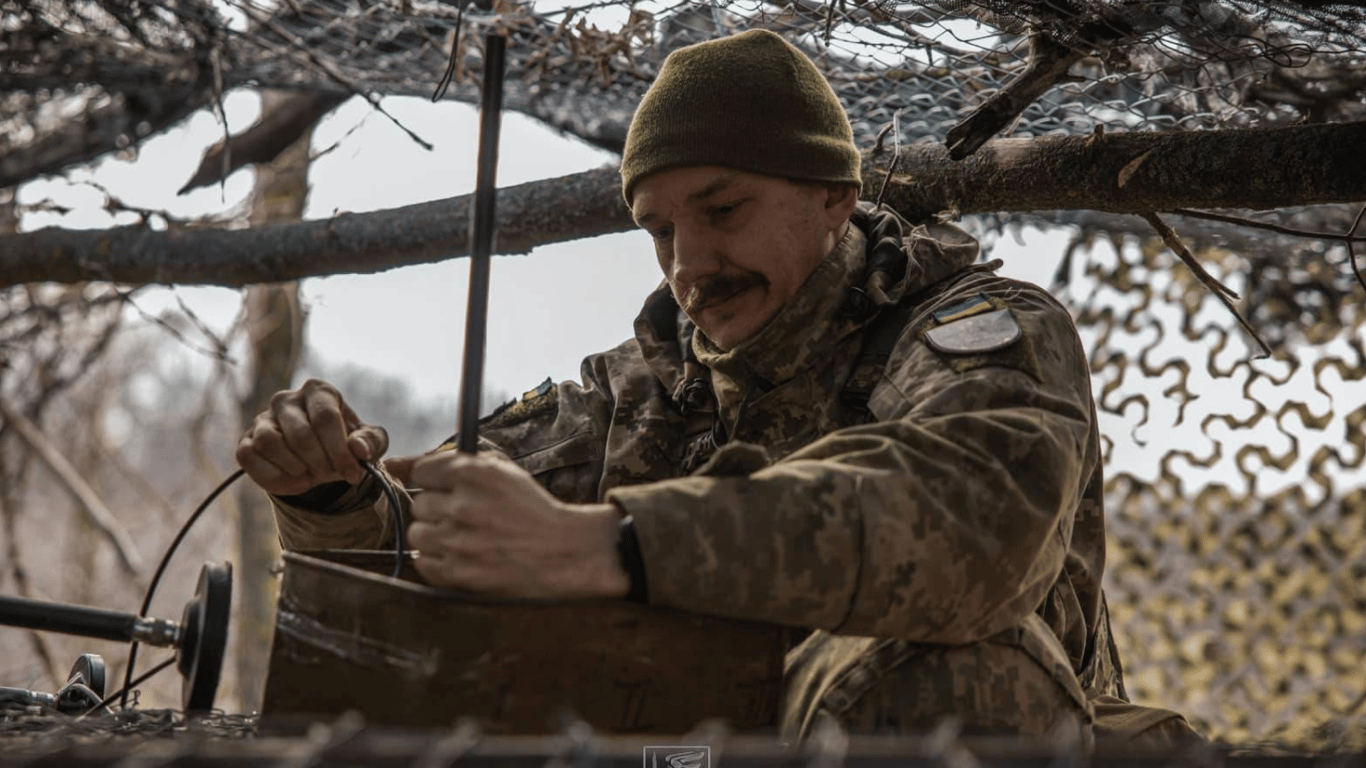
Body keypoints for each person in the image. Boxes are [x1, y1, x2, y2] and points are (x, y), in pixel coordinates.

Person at [237, 29, 1200, 745]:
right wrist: (339, 499)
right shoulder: (632, 392)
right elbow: (436, 544)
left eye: (724, 210)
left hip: (958, 733)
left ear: (834, 197)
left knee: (944, 667)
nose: (689, 264)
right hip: (687, 751)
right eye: (659, 231)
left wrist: (615, 546)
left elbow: (975, 522)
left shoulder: (974, 334)